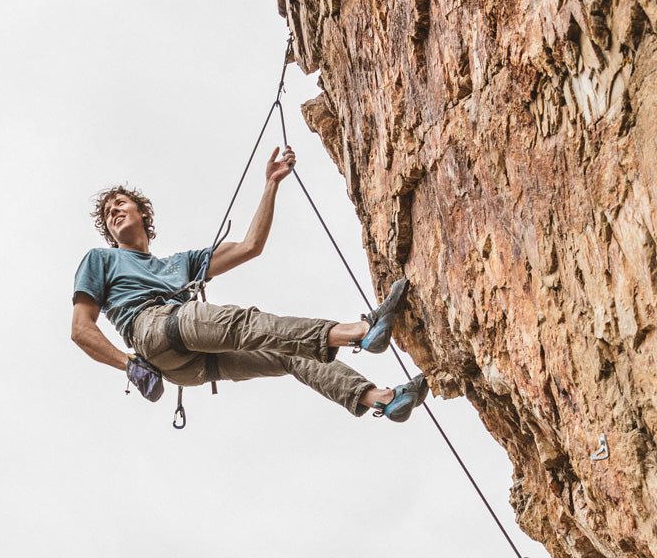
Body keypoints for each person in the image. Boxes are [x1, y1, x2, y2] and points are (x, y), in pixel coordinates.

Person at [70, 146, 428, 421]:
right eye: (107, 212)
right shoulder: (101, 260)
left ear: (142, 213)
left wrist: (271, 184)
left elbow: (249, 246)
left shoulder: (180, 263)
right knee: (245, 325)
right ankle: (360, 331)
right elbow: (81, 329)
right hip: (152, 330)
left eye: (120, 203)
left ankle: (382, 398)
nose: (113, 211)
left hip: (189, 364)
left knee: (289, 354)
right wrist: (128, 364)